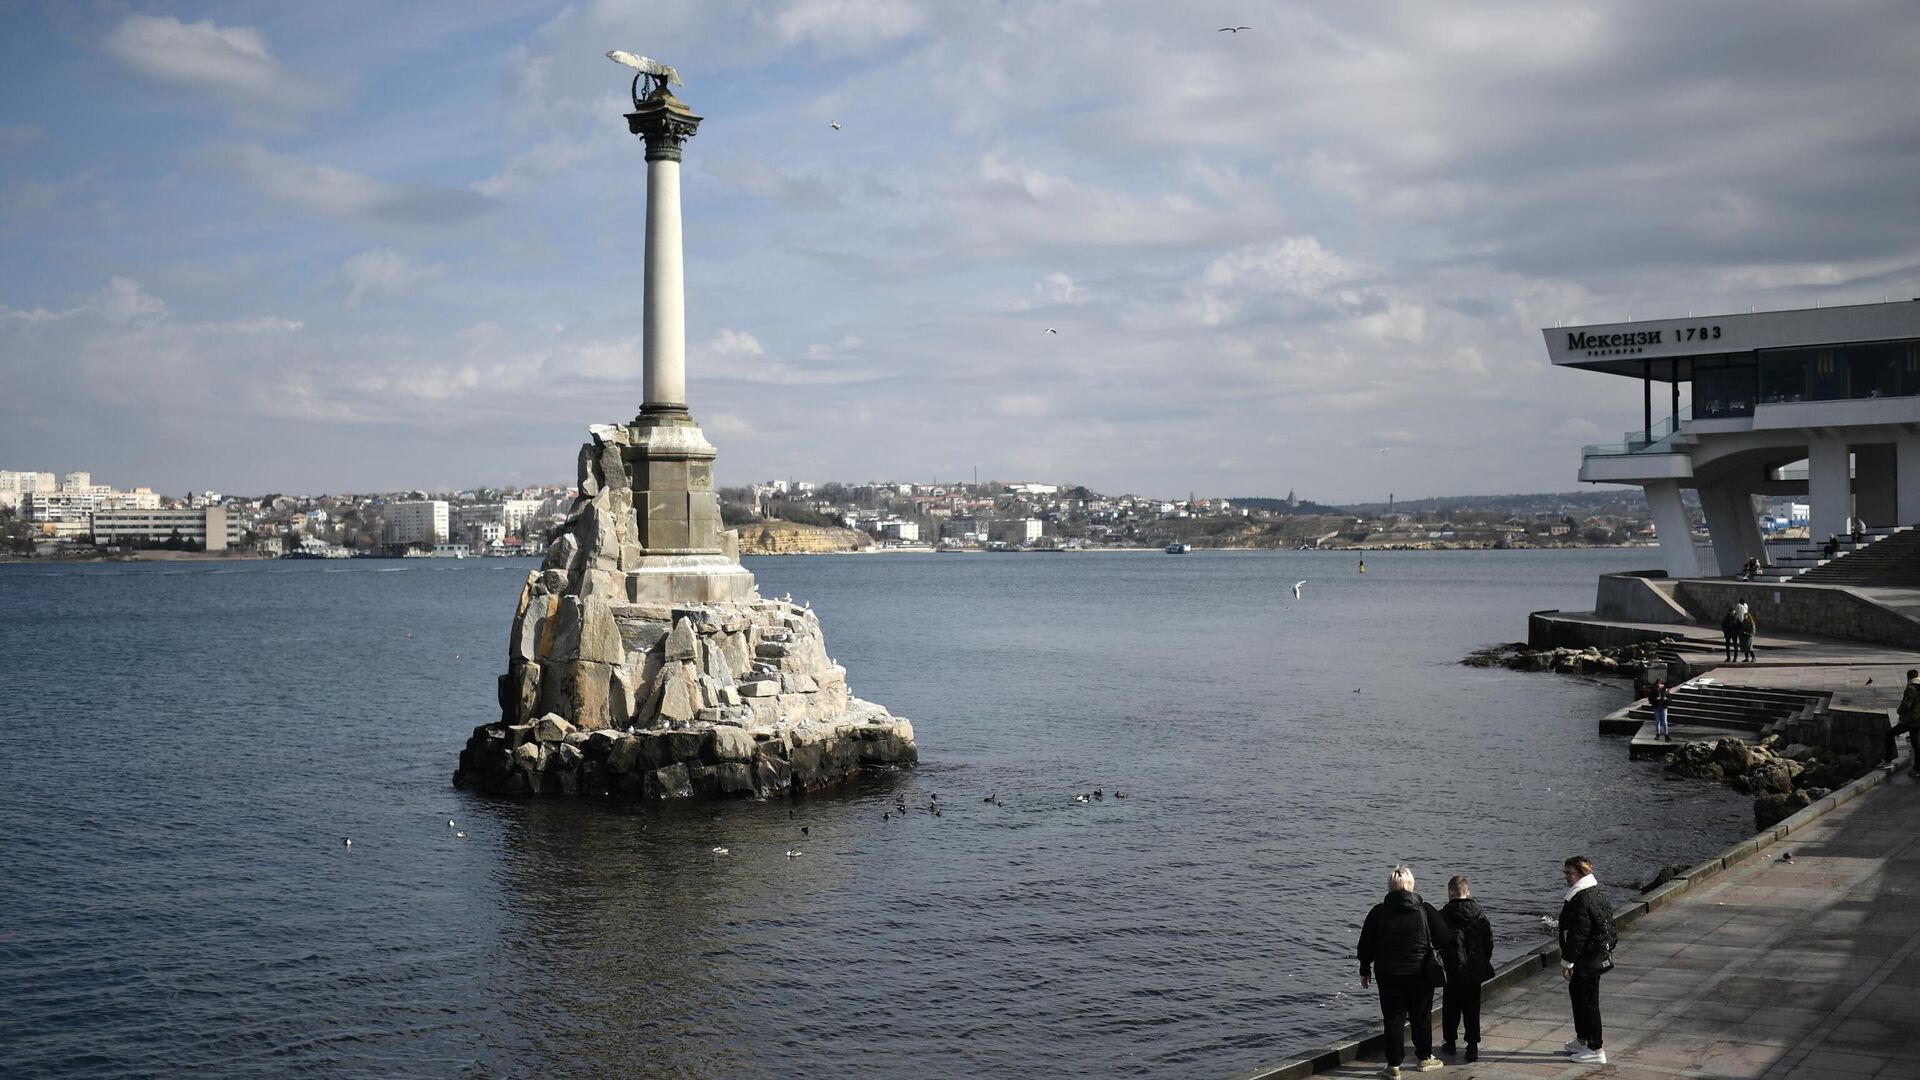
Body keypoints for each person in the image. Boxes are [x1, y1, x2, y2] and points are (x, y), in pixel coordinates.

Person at [1359, 866, 1455, 1078]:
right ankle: (1424, 1057)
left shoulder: (1378, 912)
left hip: (1388, 973)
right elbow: (1445, 939)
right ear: (1411, 885)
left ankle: (1393, 1066)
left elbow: (1365, 945)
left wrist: (1365, 969)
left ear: (1390, 886)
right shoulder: (1426, 910)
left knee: (1393, 1018)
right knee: (1421, 1016)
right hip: (1420, 972)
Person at [1559, 855, 1616, 1066]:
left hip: (1587, 958)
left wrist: (1567, 961)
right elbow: (1610, 925)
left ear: (1581, 873)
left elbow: (1578, 934)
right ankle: (1582, 1039)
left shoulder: (1582, 897)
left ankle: (1595, 1048)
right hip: (1594, 954)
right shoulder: (1596, 892)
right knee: (1579, 996)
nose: (1565, 877)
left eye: (1569, 873)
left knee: (1588, 1002)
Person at [1438, 876, 1494, 1062]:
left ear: (1450, 893)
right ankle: (1472, 1046)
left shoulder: (1443, 915)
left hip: (1452, 969)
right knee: (1472, 1008)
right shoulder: (1480, 915)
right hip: (1474, 970)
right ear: (1467, 892)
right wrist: (1482, 960)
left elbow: (1438, 941)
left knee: (1450, 1007)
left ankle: (1450, 1043)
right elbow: (1489, 943)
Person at [1885, 668, 1920, 774]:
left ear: (1908, 677)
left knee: (1889, 734)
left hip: (1911, 720)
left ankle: (1887, 760)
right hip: (1919, 720)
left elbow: (1906, 705)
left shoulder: (1912, 688)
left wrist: (1899, 712)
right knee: (1916, 743)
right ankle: (1917, 769)